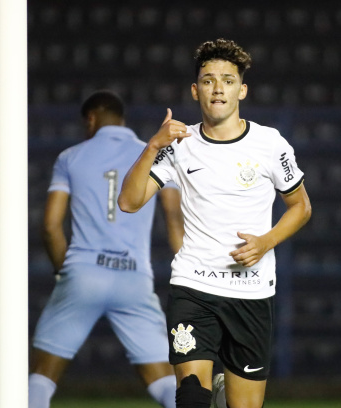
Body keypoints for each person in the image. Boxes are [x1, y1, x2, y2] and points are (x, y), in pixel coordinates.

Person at [118, 39, 312, 408]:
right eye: (208, 80)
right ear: (195, 90)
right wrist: (152, 147)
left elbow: (301, 207)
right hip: (194, 286)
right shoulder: (180, 144)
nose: (218, 87)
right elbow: (128, 201)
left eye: (227, 79)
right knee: (191, 398)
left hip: (251, 292)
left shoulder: (270, 143)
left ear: (242, 89)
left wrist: (266, 242)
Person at [28, 90, 184, 408]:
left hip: (84, 273)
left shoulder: (70, 157)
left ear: (91, 119)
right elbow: (173, 213)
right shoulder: (154, 153)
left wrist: (64, 272)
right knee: (167, 382)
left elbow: (50, 226)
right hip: (134, 277)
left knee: (41, 378)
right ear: (122, 119)